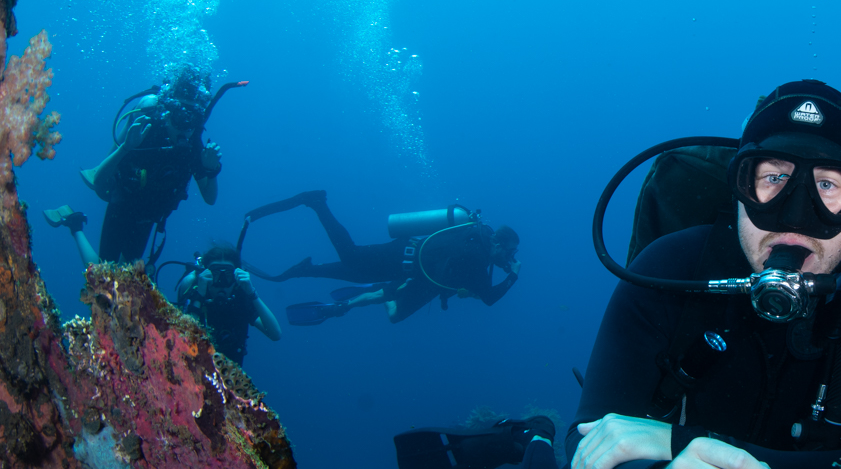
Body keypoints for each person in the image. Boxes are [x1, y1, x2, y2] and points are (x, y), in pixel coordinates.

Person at [516, 79, 841, 469]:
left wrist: (685, 444)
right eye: (773, 178)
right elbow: (593, 435)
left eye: (828, 186)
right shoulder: (673, 268)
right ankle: (528, 437)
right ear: (739, 186)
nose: (794, 216)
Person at [242, 191, 520, 325]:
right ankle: (317, 203)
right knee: (351, 258)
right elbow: (489, 297)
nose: (509, 258)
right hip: (401, 259)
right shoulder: (477, 255)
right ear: (498, 243)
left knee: (351, 271)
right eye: (510, 252)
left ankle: (303, 270)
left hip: (406, 259)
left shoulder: (476, 235)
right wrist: (513, 276)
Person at [43, 65, 228, 265]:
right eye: (180, 117)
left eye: (192, 120)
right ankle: (75, 225)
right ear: (168, 112)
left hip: (150, 214)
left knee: (125, 274)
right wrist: (126, 147)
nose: (185, 128)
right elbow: (99, 182)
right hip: (123, 201)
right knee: (104, 273)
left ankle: (74, 223)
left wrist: (211, 169)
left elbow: (210, 199)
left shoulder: (193, 147)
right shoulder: (147, 128)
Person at [175, 243, 282, 365]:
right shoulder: (195, 293)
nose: (222, 283)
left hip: (228, 376)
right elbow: (182, 341)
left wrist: (252, 293)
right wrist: (199, 295)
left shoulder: (241, 298)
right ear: (205, 274)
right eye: (215, 274)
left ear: (236, 277)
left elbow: (275, 334)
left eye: (227, 275)